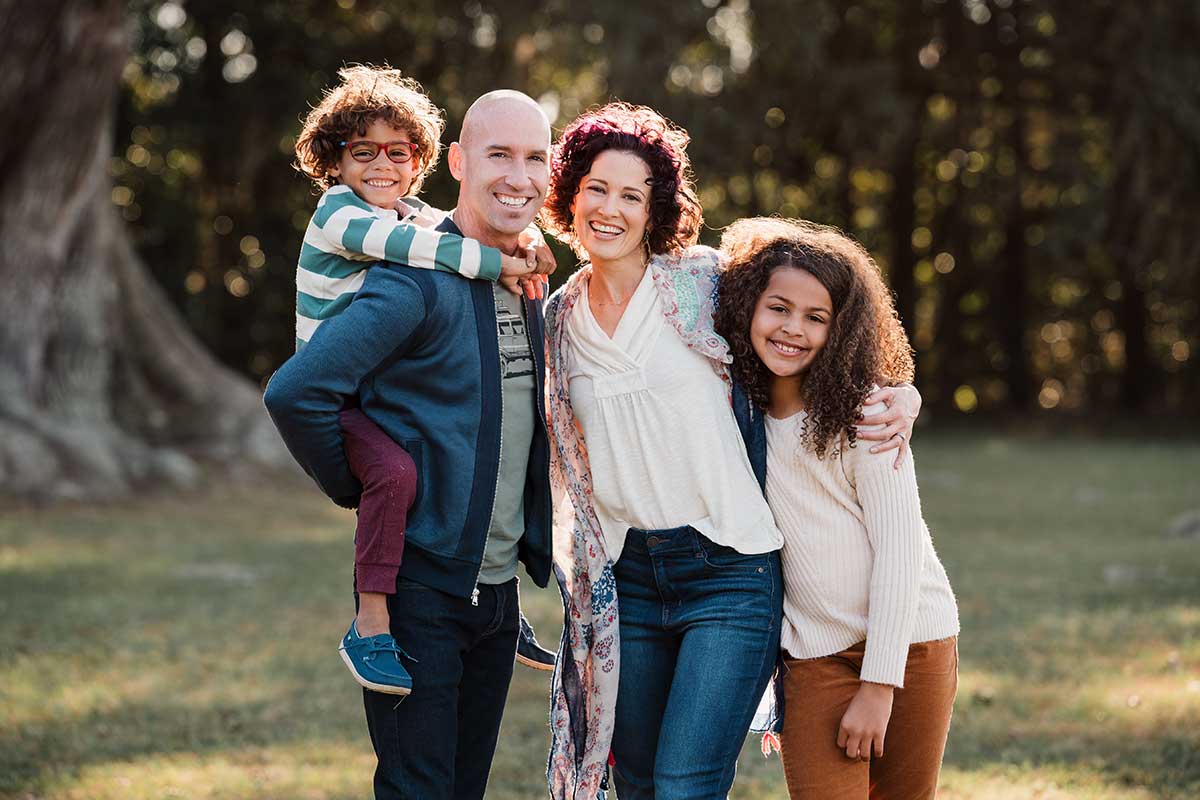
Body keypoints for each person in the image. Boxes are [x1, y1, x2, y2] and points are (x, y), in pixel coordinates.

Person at [540, 104, 924, 799]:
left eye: (633, 195)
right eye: (597, 188)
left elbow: (813, 312)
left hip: (728, 574)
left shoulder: (702, 283)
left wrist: (901, 391)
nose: (611, 209)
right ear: (569, 194)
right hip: (626, 582)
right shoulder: (555, 322)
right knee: (639, 786)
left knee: (686, 786)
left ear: (655, 208)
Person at [266, 89, 556, 799]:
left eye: (535, 158)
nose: (518, 175)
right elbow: (295, 393)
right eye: (499, 155)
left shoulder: (530, 284)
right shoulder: (414, 285)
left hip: (497, 597)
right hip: (421, 592)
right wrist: (361, 484)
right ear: (459, 162)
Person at [714, 217, 960, 799]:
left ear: (842, 329)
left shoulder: (867, 415)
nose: (792, 329)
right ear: (749, 304)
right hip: (814, 655)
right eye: (778, 307)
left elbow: (899, 554)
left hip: (912, 643)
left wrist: (880, 685)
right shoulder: (733, 410)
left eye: (816, 317)